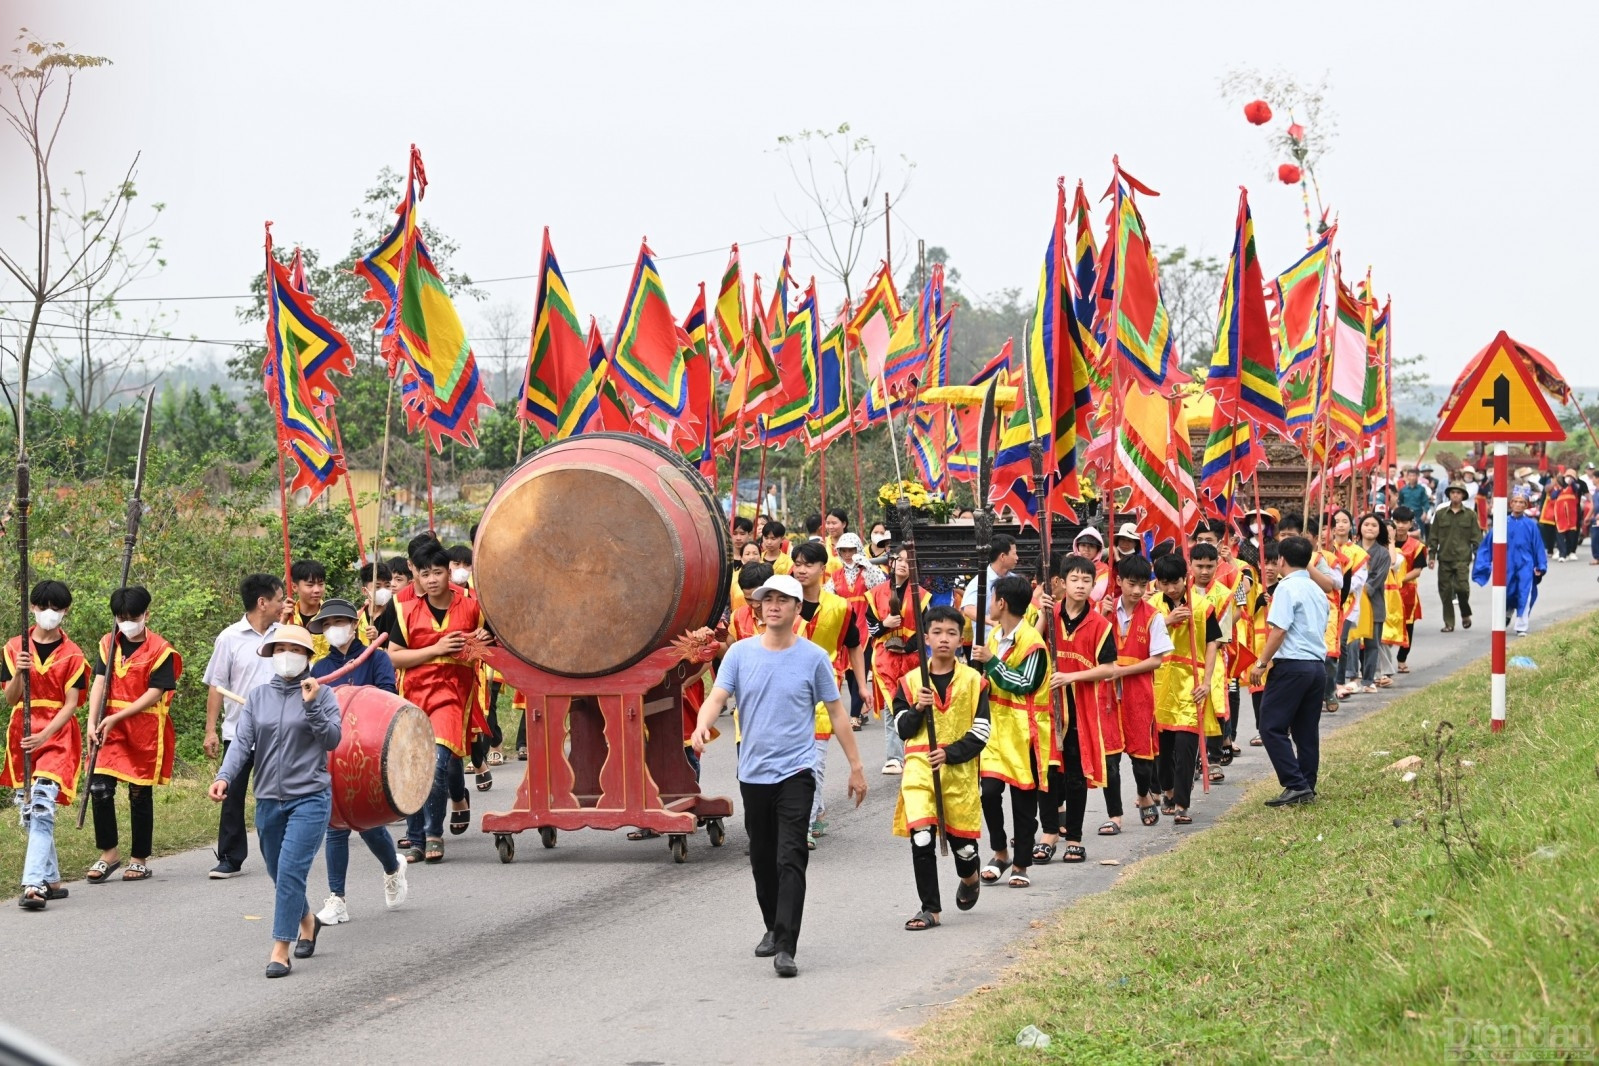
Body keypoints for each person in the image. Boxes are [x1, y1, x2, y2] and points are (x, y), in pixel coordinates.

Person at [690, 573, 867, 978]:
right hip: (754, 772)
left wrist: (856, 767)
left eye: (782, 600)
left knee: (791, 857)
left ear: (797, 609)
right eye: (767, 599)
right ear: (759, 607)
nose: (773, 605)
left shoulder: (814, 658)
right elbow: (716, 697)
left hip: (797, 771)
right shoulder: (740, 654)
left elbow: (838, 713)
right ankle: (772, 925)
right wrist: (702, 725)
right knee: (762, 857)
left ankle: (786, 945)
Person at [209, 625, 342, 978]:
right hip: (268, 798)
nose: (286, 655)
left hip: (310, 798)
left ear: (306, 657)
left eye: (293, 649)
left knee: (290, 870)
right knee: (278, 871)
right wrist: (224, 776)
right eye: (279, 648)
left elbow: (332, 740)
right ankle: (308, 920)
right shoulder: (257, 698)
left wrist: (312, 706)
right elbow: (241, 743)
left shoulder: (324, 695)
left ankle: (280, 948)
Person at [377, 536, 488, 863]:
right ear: (416, 577)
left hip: (453, 696)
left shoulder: (471, 606)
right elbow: (393, 658)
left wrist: (481, 639)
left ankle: (432, 833)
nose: (432, 579)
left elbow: (487, 650)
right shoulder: (404, 608)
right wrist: (436, 649)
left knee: (438, 762)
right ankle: (414, 838)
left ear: (448, 571)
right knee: (413, 766)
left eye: (437, 572)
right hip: (413, 697)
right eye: (424, 574)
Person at [305, 599, 409, 925]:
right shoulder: (319, 670)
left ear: (353, 624)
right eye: (328, 623)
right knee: (335, 823)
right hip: (332, 755)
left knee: (365, 823)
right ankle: (337, 898)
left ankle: (392, 865)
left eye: (340, 621)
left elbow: (388, 698)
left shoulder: (376, 658)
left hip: (370, 752)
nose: (335, 628)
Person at [891, 606, 989, 930]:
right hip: (919, 769)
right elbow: (902, 728)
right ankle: (930, 909)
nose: (944, 639)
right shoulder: (909, 683)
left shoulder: (975, 681)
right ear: (926, 637)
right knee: (921, 838)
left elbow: (982, 732)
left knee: (964, 850)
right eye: (937, 632)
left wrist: (950, 753)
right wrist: (918, 708)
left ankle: (970, 877)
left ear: (961, 639)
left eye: (951, 633)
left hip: (958, 772)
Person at [84, 585, 182, 885]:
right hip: (108, 726)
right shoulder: (107, 644)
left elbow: (155, 693)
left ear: (146, 615)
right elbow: (100, 682)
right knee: (99, 787)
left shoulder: (160, 650)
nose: (126, 622)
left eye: (132, 616)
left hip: (143, 729)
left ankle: (139, 859)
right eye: (120, 617)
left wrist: (117, 717)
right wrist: (92, 720)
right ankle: (109, 853)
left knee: (139, 793)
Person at [3, 580, 88, 910]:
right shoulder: (13, 648)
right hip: (22, 734)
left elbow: (71, 704)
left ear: (65, 611)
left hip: (58, 736)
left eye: (57, 608)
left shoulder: (73, 654)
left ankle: (33, 884)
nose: (49, 613)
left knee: (40, 803)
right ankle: (51, 878)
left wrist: (46, 735)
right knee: (31, 812)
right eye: (43, 607)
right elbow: (10, 698)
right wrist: (19, 673)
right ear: (33, 608)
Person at [1034, 555, 1119, 861]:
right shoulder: (1051, 615)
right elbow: (1031, 645)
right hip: (1048, 705)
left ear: (1092, 585)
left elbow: (1109, 668)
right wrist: (1044, 612)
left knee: (1075, 772)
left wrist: (1073, 676)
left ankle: (1075, 836)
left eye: (1086, 580)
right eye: (1075, 580)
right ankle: (1049, 832)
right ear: (1062, 583)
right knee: (1048, 770)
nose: (1080, 585)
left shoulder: (1100, 624)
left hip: (1079, 707)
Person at [788, 539, 871, 848]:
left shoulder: (840, 607)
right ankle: (815, 808)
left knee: (814, 761)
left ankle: (804, 826)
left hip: (825, 693)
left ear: (823, 569)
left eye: (808, 564)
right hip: (787, 693)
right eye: (797, 563)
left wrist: (862, 686)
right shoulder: (783, 603)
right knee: (792, 761)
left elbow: (853, 646)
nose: (801, 569)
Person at [202, 573, 285, 878]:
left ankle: (281, 850)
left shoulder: (285, 635)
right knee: (232, 793)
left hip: (278, 732)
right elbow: (216, 685)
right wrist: (211, 730)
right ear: (262, 602)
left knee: (278, 793)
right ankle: (230, 857)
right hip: (238, 732)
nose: (282, 605)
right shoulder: (229, 638)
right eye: (279, 599)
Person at [970, 574, 1050, 888]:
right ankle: (1001, 851)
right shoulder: (991, 636)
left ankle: (1021, 864)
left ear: (1002, 603)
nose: (989, 605)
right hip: (993, 728)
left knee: (1023, 801)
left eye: (992, 599)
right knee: (989, 793)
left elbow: (1024, 683)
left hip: (1023, 731)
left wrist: (991, 663)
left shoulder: (1033, 642)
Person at [1249, 535, 1330, 807]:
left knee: (1270, 726)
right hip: (1316, 666)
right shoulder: (1318, 590)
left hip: (1292, 665)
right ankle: (1306, 784)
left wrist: (1261, 663)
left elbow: (1279, 630)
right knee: (1306, 730)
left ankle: (1295, 784)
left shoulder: (1286, 588)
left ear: (1281, 560)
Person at [1150, 553, 1223, 826]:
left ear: (1186, 578)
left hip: (1191, 683)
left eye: (1176, 582)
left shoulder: (1202, 606)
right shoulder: (1152, 607)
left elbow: (1213, 643)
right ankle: (1167, 790)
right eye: (1165, 583)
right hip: (1160, 681)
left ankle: (1182, 804)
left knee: (1186, 745)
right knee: (1163, 747)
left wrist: (1206, 682)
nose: (1171, 589)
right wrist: (1166, 622)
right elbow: (1139, 638)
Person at [1102, 554, 1170, 826]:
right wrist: (1102, 614)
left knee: (1142, 757)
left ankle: (1143, 794)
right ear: (1119, 581)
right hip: (1106, 695)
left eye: (1143, 584)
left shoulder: (1153, 616)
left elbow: (1157, 659)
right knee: (1110, 758)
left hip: (1138, 693)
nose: (1138, 591)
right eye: (1131, 583)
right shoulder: (1101, 609)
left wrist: (1122, 670)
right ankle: (1114, 816)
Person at [866, 547, 929, 775]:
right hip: (885, 656)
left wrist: (908, 646)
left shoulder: (922, 596)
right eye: (899, 560)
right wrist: (885, 625)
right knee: (893, 704)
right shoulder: (876, 593)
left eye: (908, 560)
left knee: (914, 703)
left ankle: (914, 751)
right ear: (891, 563)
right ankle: (894, 757)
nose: (903, 564)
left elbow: (925, 629)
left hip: (912, 657)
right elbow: (871, 628)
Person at [828, 531, 885, 731]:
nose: (848, 554)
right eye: (843, 550)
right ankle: (858, 710)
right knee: (851, 672)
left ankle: (854, 716)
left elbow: (881, 585)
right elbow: (827, 597)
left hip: (866, 626)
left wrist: (868, 565)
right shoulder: (835, 576)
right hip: (846, 625)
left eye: (851, 550)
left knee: (862, 668)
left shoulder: (867, 572)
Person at [1474, 486, 1548, 636]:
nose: (1519, 504)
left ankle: (1522, 625)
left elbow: (1538, 546)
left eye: (1522, 502)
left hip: (1525, 565)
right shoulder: (1502, 523)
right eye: (1516, 501)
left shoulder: (1531, 525)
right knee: (1506, 592)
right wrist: (1484, 564)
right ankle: (1507, 613)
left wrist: (1540, 565)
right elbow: (1488, 544)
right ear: (1511, 503)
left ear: (1526, 505)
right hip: (1506, 565)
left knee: (1525, 593)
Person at [1428, 482, 1482, 633]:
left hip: (1462, 558)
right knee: (1445, 592)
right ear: (1449, 495)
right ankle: (1449, 622)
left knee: (1462, 588)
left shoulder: (1470, 515)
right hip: (1444, 558)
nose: (1455, 495)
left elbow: (1476, 538)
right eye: (1453, 492)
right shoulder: (1440, 514)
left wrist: (1479, 558)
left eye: (1458, 493)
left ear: (1463, 495)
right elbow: (1433, 536)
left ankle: (1465, 612)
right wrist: (1431, 556)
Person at [1347, 514, 1390, 695]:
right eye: (1366, 524)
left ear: (1379, 529)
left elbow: (1378, 578)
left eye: (1374, 525)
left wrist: (1362, 587)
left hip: (1374, 603)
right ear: (1360, 528)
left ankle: (1369, 679)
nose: (1370, 528)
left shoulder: (1383, 553)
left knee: (1373, 643)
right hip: (1354, 602)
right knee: (1352, 642)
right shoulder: (1351, 550)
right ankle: (1352, 677)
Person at [1389, 507, 1427, 674]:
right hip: (1386, 590)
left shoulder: (1417, 546)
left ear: (1411, 524)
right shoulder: (1384, 543)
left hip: (1407, 590)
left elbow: (1417, 570)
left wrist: (1399, 580)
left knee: (1408, 625)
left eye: (1404, 522)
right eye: (1397, 522)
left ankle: (1402, 658)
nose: (1400, 526)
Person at [961, 533, 1019, 628]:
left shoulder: (1015, 580)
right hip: (986, 640)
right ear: (1003, 557)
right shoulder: (980, 581)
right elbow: (968, 609)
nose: (1017, 557)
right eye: (1014, 553)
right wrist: (992, 622)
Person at [287, 559, 330, 661]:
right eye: (310, 585)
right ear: (294, 587)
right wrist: (282, 623)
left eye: (321, 584)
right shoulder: (287, 617)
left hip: (327, 676)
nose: (317, 590)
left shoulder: (331, 616)